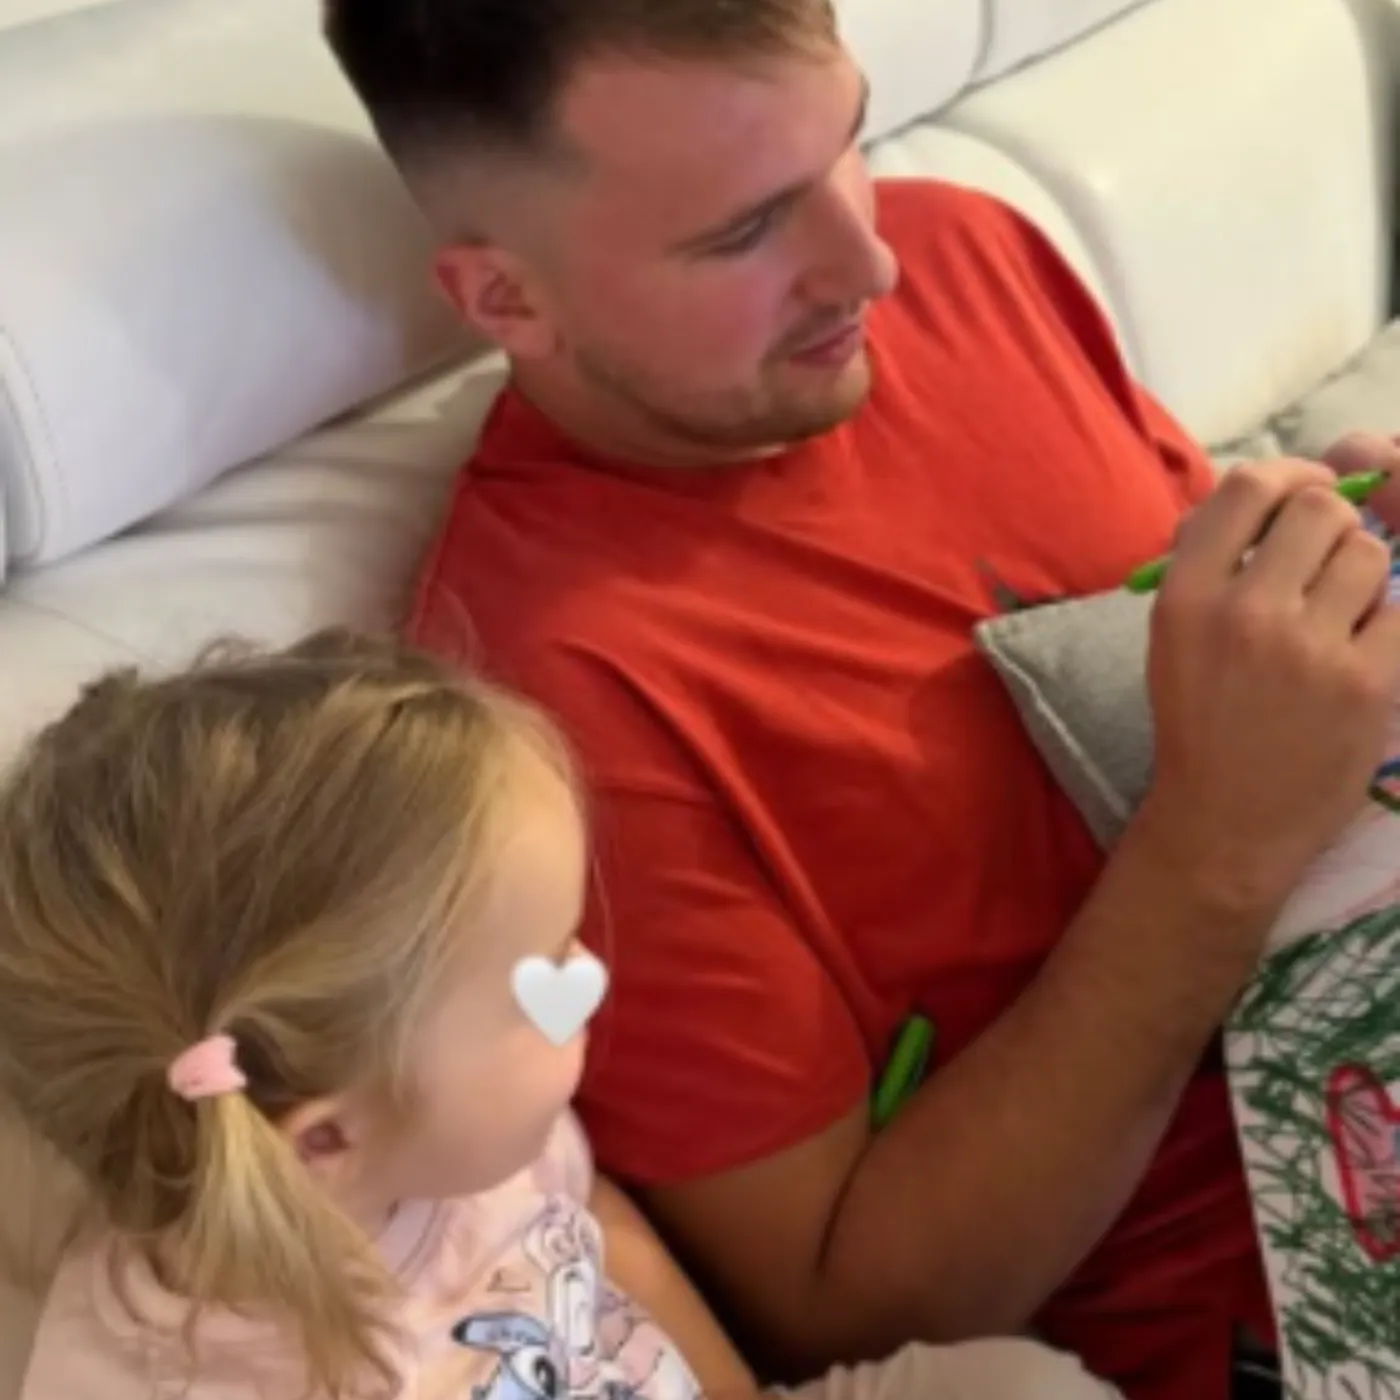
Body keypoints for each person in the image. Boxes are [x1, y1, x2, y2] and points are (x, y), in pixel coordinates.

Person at [319, 4, 1400, 1399]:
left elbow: (1211, 640)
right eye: (744, 230)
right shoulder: (549, 709)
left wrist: (1339, 576)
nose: (867, 261)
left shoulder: (964, 254)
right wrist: (1212, 850)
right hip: (1292, 1291)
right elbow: (847, 1307)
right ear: (504, 300)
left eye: (850, 142)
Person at [0, 631, 1114, 1400]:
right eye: (539, 970)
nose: (590, 972)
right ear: (326, 1138)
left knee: (1022, 1383)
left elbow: (599, 1227)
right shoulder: (156, 1377)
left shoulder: (474, 1149)